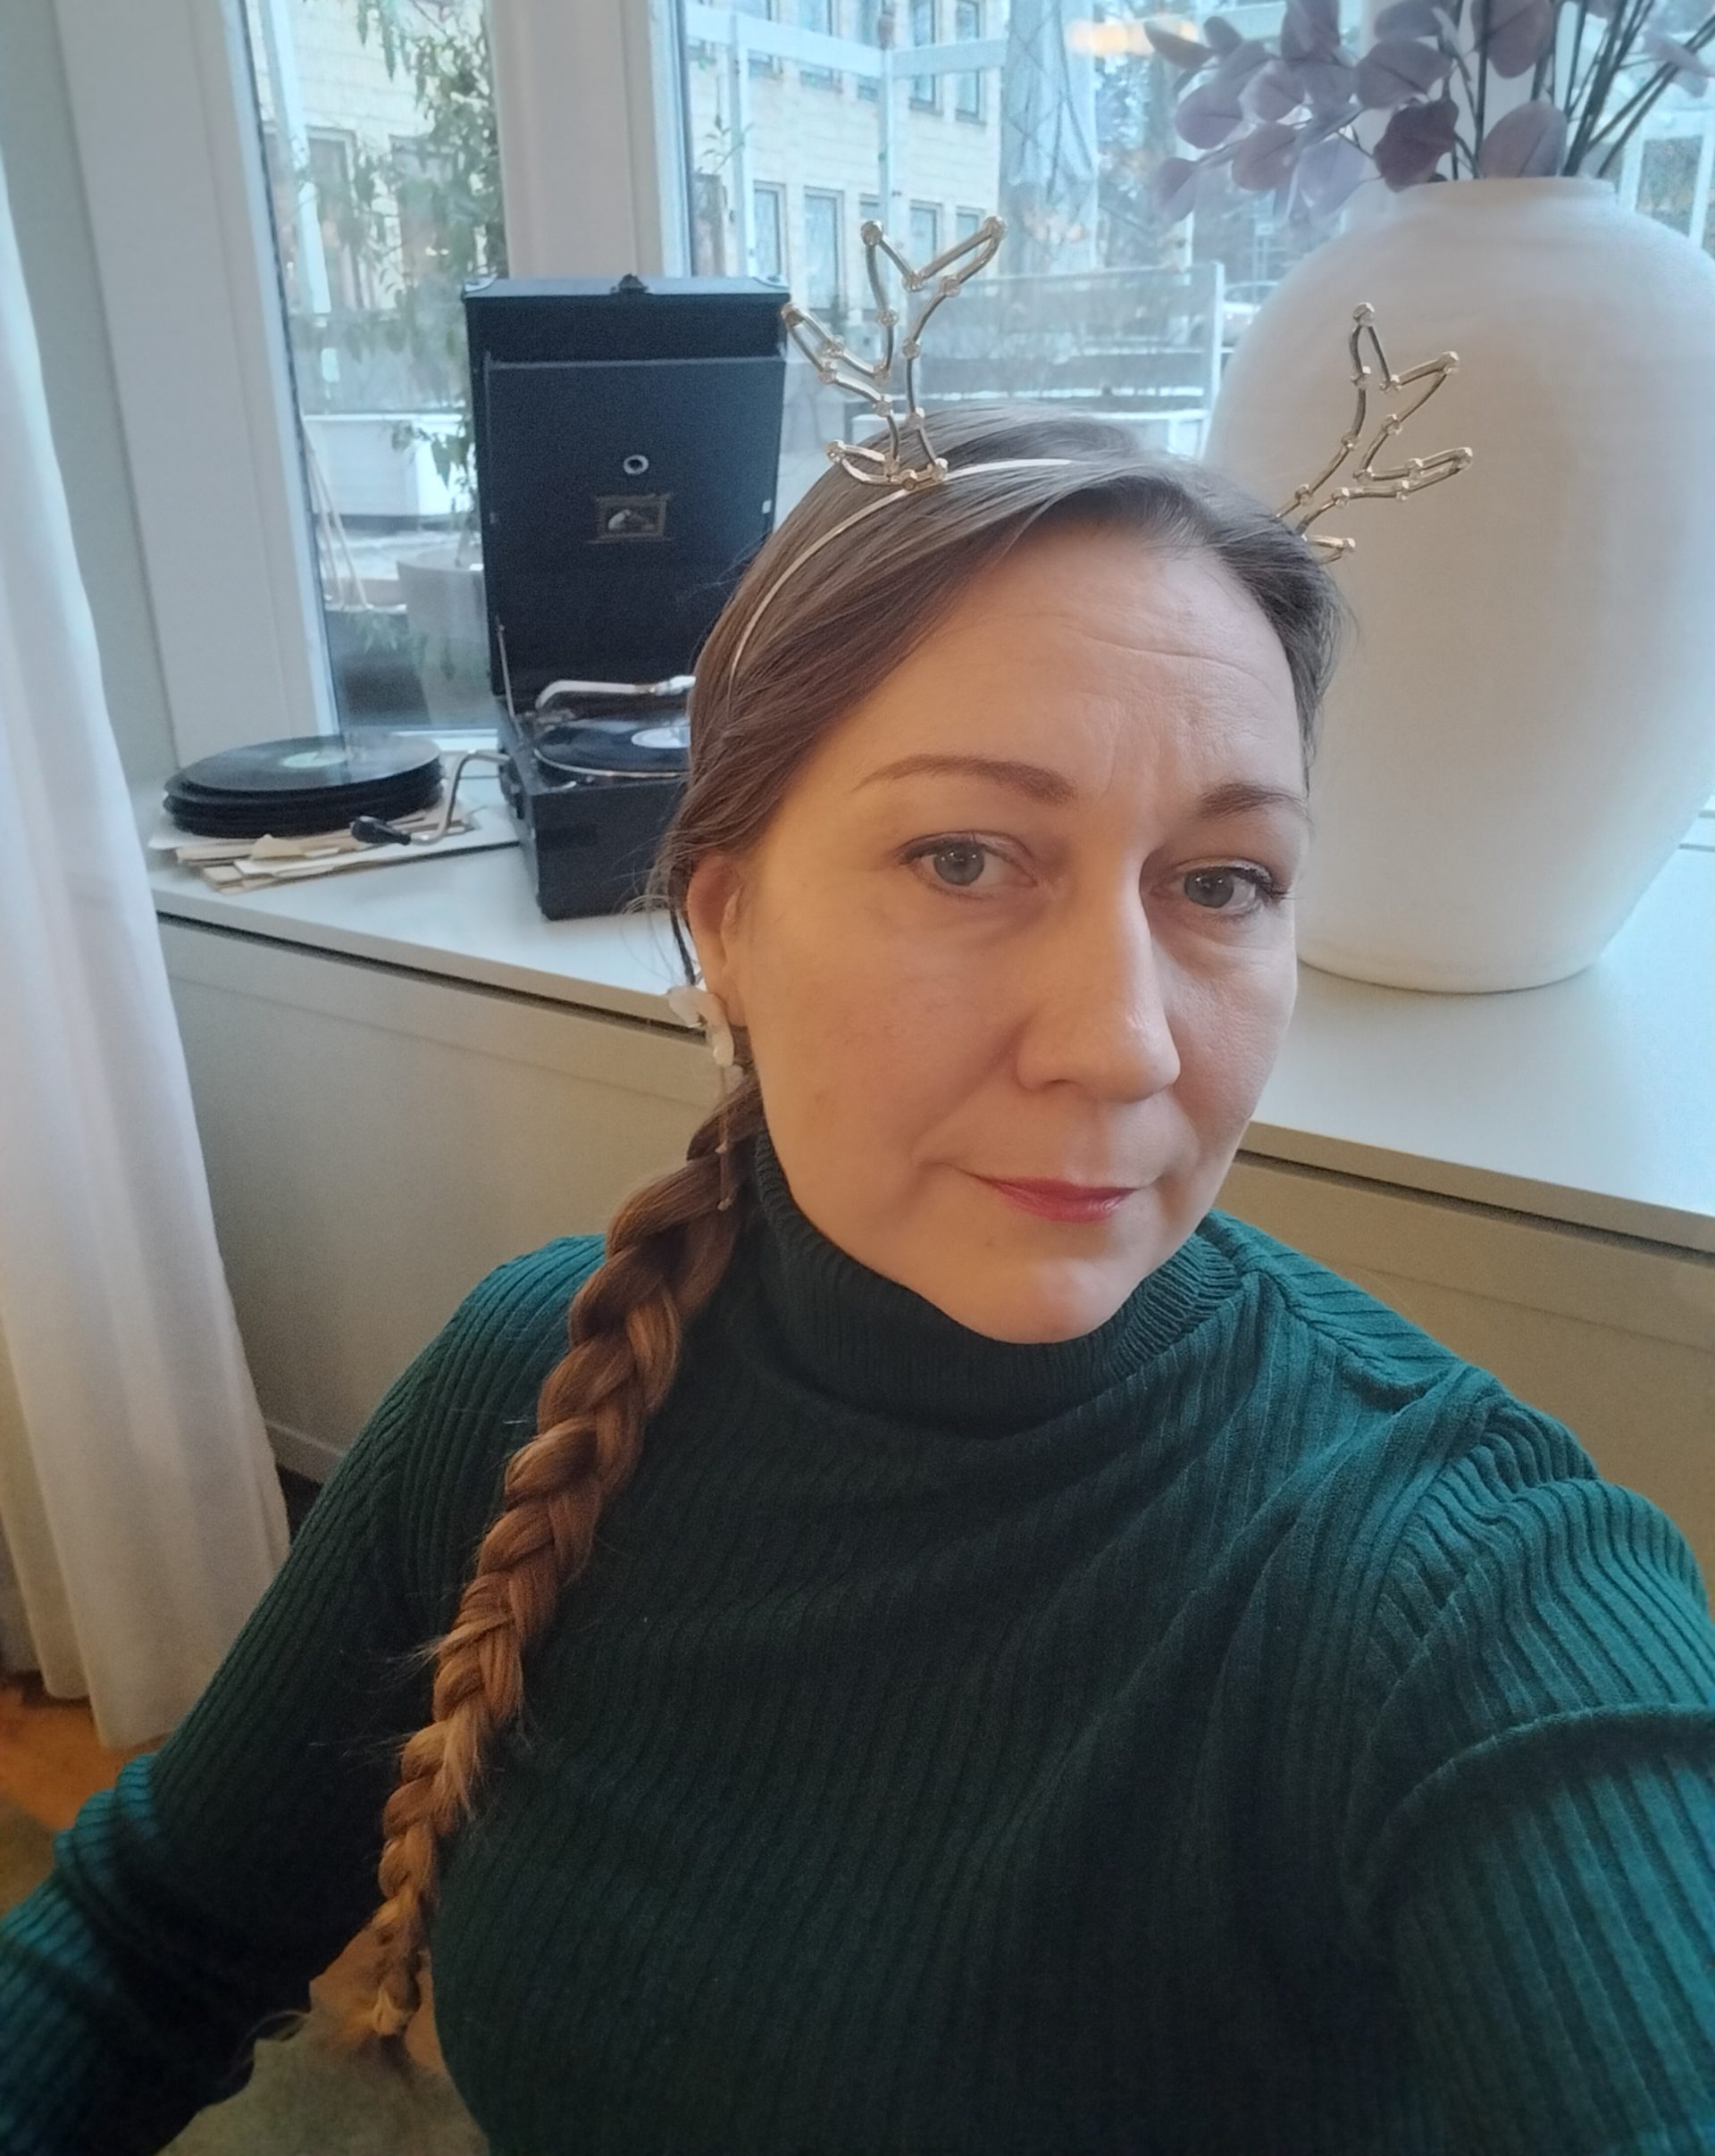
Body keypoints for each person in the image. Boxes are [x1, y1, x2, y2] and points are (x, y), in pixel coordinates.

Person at [1, 405, 1711, 2156]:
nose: (1122, 1043)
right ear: (726, 924)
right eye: (964, 857)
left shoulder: (1468, 1589)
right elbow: (143, 1941)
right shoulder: (535, 1377)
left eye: (1221, 880)